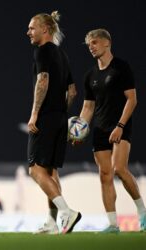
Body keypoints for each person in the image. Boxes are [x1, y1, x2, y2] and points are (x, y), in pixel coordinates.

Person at [79, 29, 146, 233]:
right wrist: (79, 130)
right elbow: (88, 107)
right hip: (100, 129)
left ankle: (142, 212)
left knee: (119, 169)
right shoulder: (90, 75)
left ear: (107, 43)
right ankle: (112, 224)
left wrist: (120, 126)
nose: (91, 46)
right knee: (105, 175)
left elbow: (132, 99)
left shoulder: (121, 67)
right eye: (89, 44)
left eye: (95, 42)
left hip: (120, 126)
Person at [26, 11, 81, 234]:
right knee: (50, 173)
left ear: (45, 30)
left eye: (31, 28)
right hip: (60, 118)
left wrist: (35, 114)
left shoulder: (42, 52)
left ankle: (67, 212)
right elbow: (73, 91)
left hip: (47, 117)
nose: (28, 32)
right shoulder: (62, 55)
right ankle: (51, 223)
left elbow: (43, 81)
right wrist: (61, 114)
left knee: (35, 171)